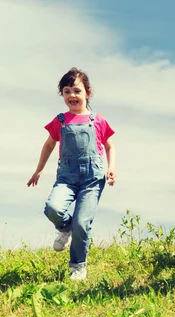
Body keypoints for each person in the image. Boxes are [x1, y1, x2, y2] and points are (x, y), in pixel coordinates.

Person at [27, 67, 116, 281]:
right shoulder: (60, 121)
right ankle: (64, 227)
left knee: (82, 223)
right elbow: (49, 146)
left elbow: (109, 145)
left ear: (88, 92)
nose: (72, 96)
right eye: (66, 91)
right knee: (52, 208)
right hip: (67, 177)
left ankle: (78, 266)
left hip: (92, 179)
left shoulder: (98, 120)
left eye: (76, 90)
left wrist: (111, 167)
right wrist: (39, 169)